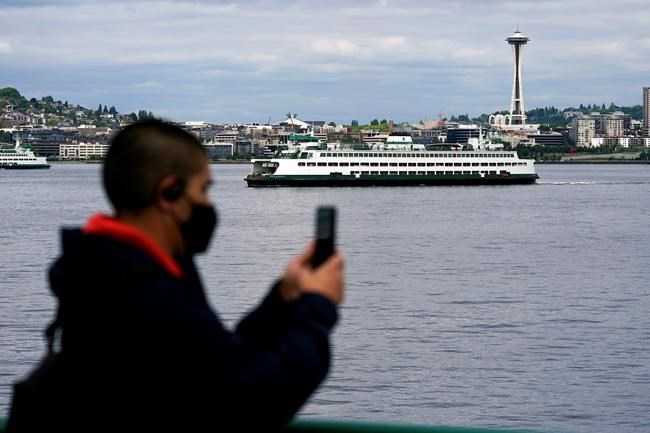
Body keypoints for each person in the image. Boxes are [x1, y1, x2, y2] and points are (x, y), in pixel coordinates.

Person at [7, 120, 345, 432]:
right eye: (203, 190)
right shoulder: (144, 295)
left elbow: (217, 360)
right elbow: (253, 401)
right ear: (169, 193)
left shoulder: (100, 271)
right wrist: (319, 305)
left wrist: (282, 300)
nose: (208, 204)